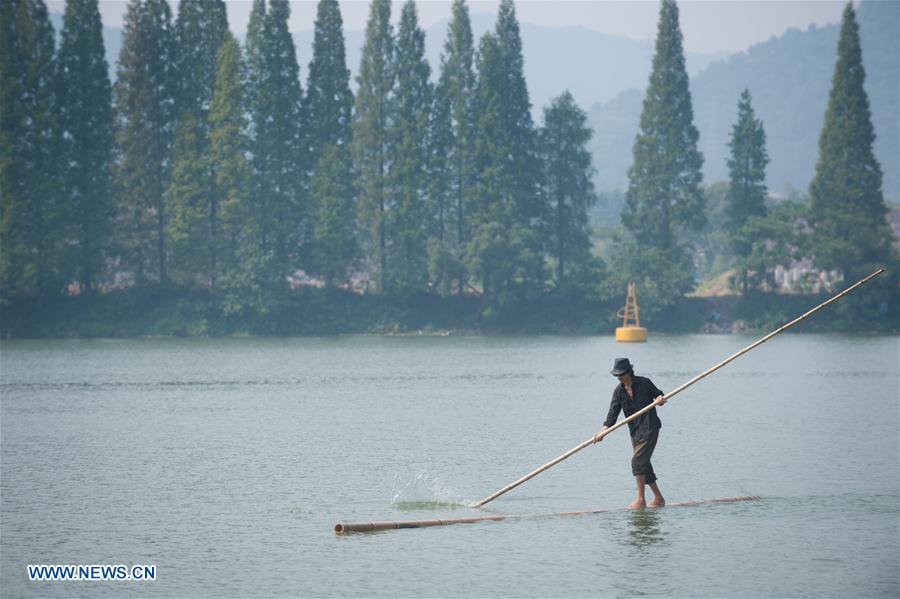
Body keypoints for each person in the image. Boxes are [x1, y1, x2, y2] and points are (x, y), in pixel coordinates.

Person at [593, 357, 667, 508]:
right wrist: (601, 433)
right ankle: (659, 499)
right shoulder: (618, 392)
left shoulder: (644, 383)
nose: (619, 378)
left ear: (629, 372)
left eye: (621, 374)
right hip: (635, 432)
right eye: (617, 375)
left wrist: (660, 399)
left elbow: (659, 395)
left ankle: (641, 499)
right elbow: (611, 417)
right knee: (644, 464)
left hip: (650, 427)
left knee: (637, 461)